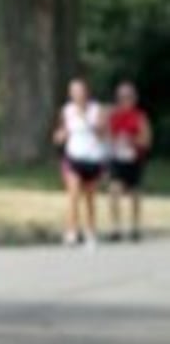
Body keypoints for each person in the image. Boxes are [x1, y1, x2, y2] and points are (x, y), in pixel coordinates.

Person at [54, 78, 108, 248]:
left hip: (92, 158)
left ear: (86, 92)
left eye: (80, 91)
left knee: (90, 198)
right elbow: (63, 130)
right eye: (73, 91)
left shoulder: (96, 109)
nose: (77, 94)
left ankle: (91, 231)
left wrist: (85, 117)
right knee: (73, 195)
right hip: (73, 157)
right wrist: (60, 136)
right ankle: (72, 232)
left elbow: (101, 133)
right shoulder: (67, 110)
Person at [107, 81, 152, 243]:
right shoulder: (113, 115)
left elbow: (146, 140)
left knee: (135, 195)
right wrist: (115, 141)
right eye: (121, 97)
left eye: (128, 97)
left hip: (134, 159)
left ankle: (135, 227)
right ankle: (115, 228)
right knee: (114, 191)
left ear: (134, 98)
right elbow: (106, 136)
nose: (125, 100)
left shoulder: (139, 116)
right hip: (117, 159)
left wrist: (131, 140)